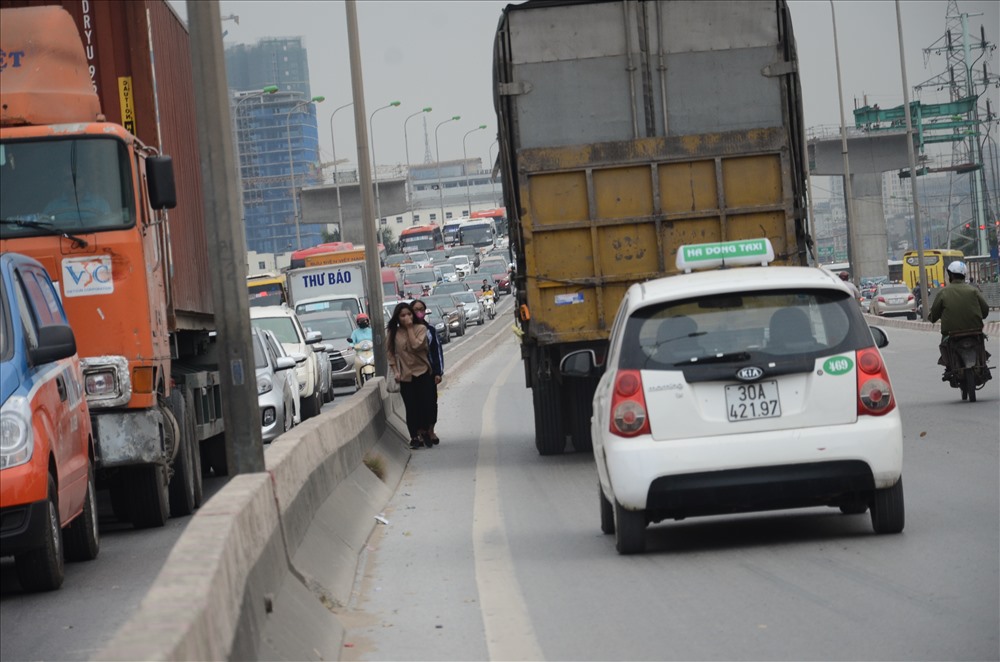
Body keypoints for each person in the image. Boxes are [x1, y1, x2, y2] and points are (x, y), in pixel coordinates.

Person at [386, 301, 437, 449]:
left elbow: (416, 346)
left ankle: (425, 429)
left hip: (422, 371)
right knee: (411, 406)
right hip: (406, 375)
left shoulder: (420, 329)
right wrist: (396, 371)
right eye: (403, 315)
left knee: (426, 404)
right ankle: (414, 436)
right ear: (397, 317)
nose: (406, 317)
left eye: (409, 314)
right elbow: (390, 354)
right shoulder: (393, 333)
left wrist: (409, 328)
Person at [928, 260, 990, 368]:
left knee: (944, 344)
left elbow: (934, 315)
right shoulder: (973, 290)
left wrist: (931, 318)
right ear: (964, 275)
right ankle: (983, 363)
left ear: (950, 275)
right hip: (975, 330)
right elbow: (985, 310)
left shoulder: (943, 292)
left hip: (951, 333)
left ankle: (949, 366)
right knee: (981, 341)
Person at [409, 299, 444, 446]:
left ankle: (431, 430)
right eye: (415, 310)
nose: (419, 312)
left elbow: (437, 352)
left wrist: (438, 372)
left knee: (431, 403)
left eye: (421, 309)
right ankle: (419, 432)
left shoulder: (430, 330)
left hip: (428, 373)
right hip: (410, 374)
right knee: (416, 404)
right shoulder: (405, 332)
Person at [43, 168, 111, 220]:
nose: (73, 181)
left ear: (84, 179)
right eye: (68, 178)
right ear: (62, 183)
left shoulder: (100, 204)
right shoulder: (52, 207)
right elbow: (44, 226)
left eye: (78, 177)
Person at [350, 313, 373, 386]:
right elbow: (352, 341)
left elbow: (376, 339)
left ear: (368, 321)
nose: (363, 322)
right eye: (360, 320)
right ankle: (358, 381)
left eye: (364, 320)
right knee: (356, 364)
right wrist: (351, 346)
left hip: (372, 352)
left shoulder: (371, 331)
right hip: (360, 354)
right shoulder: (355, 332)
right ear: (357, 322)